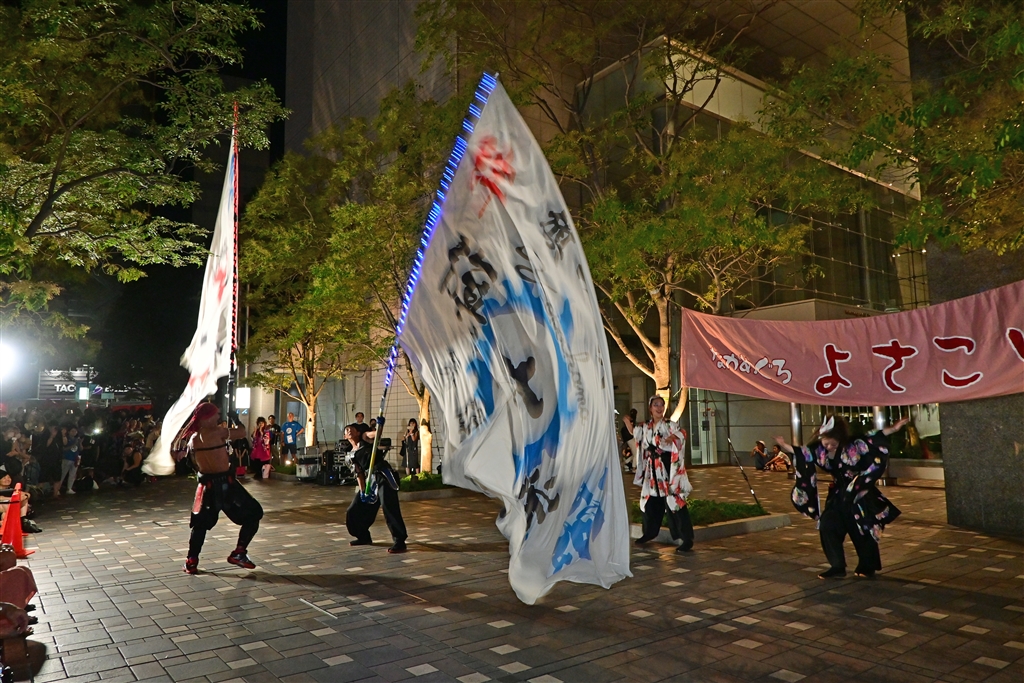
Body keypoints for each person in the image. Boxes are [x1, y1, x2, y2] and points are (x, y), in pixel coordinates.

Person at [775, 414, 908, 579]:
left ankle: (867, 566)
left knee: (861, 529)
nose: (829, 446)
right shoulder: (819, 449)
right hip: (838, 495)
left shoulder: (854, 445)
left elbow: (873, 437)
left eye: (833, 444)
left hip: (859, 493)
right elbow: (803, 452)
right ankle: (837, 566)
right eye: (826, 443)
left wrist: (894, 428)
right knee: (827, 525)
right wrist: (784, 445)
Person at [181, 402, 263, 575]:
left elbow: (192, 464)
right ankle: (239, 552)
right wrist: (236, 419)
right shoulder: (218, 432)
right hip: (226, 483)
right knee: (254, 513)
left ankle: (191, 560)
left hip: (206, 486)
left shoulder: (193, 438)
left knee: (200, 525)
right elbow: (242, 432)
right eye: (216, 414)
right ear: (207, 417)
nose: (218, 417)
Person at [624, 395, 694, 553]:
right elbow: (635, 433)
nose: (659, 408)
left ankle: (686, 538)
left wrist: (673, 437)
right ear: (650, 408)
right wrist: (628, 423)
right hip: (652, 470)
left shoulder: (669, 424)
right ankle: (649, 533)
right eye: (655, 404)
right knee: (650, 500)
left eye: (661, 405)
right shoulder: (646, 426)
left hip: (667, 467)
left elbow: (682, 433)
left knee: (674, 501)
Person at [344, 421, 408, 553]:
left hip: (383, 475)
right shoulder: (350, 455)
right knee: (353, 510)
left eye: (352, 429)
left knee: (389, 507)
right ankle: (363, 536)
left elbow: (377, 434)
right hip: (370, 481)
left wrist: (380, 425)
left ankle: (399, 540)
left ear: (358, 432)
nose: (349, 431)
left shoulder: (364, 438)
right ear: (345, 436)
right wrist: (363, 492)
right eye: (346, 430)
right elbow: (359, 474)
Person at [54, 426, 82, 497]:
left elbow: (81, 449)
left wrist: (80, 443)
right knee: (63, 474)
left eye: (75, 431)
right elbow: (64, 448)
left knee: (73, 474)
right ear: (69, 432)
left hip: (75, 458)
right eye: (72, 431)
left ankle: (69, 488)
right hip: (67, 458)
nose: (74, 433)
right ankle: (57, 489)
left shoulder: (77, 439)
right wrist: (74, 444)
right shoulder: (66, 439)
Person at [620, 409, 637, 473]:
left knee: (635, 454)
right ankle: (634, 467)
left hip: (629, 439)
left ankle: (624, 463)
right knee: (636, 454)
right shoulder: (630, 421)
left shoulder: (625, 426)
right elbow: (632, 431)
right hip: (631, 438)